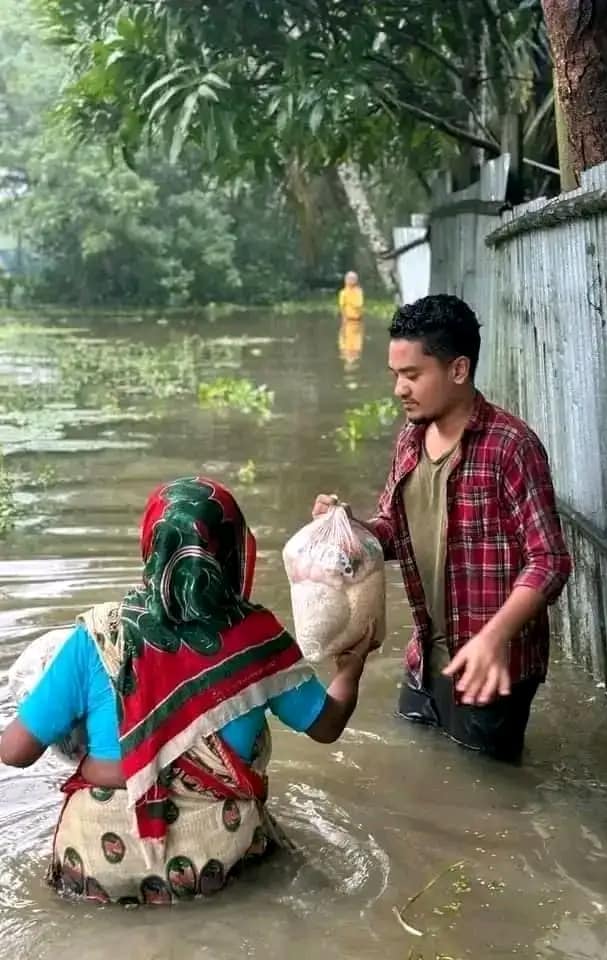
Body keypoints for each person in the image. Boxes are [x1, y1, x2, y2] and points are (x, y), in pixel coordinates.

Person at [0, 476, 374, 904]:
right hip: (213, 860)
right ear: (233, 553)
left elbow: (14, 752)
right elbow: (327, 725)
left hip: (95, 859)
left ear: (152, 548)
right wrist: (351, 668)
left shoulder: (98, 637)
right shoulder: (259, 641)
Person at [314, 294, 571, 763]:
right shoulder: (411, 440)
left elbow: (549, 561)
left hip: (491, 669)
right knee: (419, 774)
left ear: (458, 370)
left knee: (488, 794)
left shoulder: (510, 447)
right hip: (424, 660)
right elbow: (392, 530)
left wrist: (493, 638)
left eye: (413, 375)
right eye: (396, 375)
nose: (400, 389)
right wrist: (348, 529)